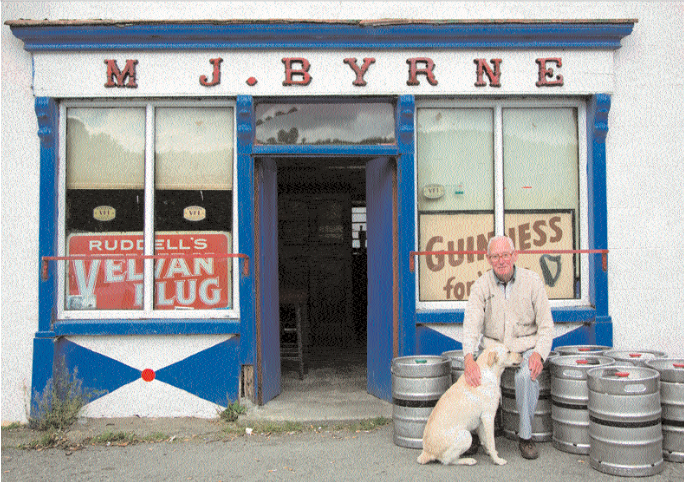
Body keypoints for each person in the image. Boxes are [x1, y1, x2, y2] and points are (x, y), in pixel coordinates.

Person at [462, 235, 554, 460]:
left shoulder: (533, 281)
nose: (501, 261)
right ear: (488, 259)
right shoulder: (481, 285)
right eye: (495, 256)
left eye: (505, 255)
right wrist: (468, 358)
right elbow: (471, 324)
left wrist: (539, 355)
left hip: (525, 346)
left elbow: (546, 326)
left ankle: (525, 437)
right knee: (472, 375)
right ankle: (476, 434)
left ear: (515, 256)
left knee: (526, 377)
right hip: (494, 349)